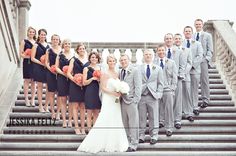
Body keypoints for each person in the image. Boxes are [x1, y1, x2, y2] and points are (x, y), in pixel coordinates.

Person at [78, 54, 129, 153]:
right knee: (105, 117)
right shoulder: (104, 74)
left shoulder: (117, 73)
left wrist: (120, 92)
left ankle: (115, 142)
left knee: (116, 118)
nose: (112, 62)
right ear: (107, 62)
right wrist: (114, 93)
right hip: (108, 99)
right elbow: (103, 88)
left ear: (115, 61)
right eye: (110, 61)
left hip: (116, 101)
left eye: (113, 61)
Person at [138, 50, 164, 145]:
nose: (148, 56)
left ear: (153, 56)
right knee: (141, 117)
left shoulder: (158, 68)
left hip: (153, 96)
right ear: (143, 56)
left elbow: (161, 83)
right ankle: (141, 135)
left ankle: (154, 135)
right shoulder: (138, 68)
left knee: (154, 117)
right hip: (142, 96)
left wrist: (159, 94)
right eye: (146, 54)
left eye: (149, 54)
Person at [119, 54, 142, 152]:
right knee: (125, 123)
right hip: (122, 101)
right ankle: (127, 142)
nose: (123, 61)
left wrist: (136, 100)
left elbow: (138, 86)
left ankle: (134, 144)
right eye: (121, 60)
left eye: (125, 60)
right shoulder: (120, 72)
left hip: (132, 101)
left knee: (133, 123)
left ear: (128, 60)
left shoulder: (135, 70)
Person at [154, 44, 177, 136]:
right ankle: (159, 123)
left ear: (165, 51)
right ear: (157, 52)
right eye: (159, 50)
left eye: (163, 50)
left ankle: (169, 128)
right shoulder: (154, 63)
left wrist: (172, 88)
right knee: (157, 108)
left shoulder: (171, 62)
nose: (161, 52)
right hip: (157, 90)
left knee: (169, 109)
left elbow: (174, 76)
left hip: (168, 89)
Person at [67, 43, 89, 135]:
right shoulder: (73, 60)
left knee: (83, 107)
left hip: (85, 86)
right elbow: (68, 73)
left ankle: (83, 128)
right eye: (80, 49)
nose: (82, 50)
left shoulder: (88, 61)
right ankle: (76, 127)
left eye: (83, 48)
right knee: (75, 106)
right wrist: (75, 80)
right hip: (75, 85)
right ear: (77, 50)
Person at [173, 33, 193, 128]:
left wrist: (184, 73)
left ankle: (188, 113)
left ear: (182, 40)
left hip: (186, 75)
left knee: (187, 94)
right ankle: (176, 115)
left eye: (179, 39)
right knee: (177, 96)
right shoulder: (171, 51)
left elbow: (190, 62)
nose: (177, 40)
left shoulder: (187, 50)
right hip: (174, 77)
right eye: (176, 39)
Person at [183, 26, 203, 116]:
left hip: (194, 70)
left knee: (194, 89)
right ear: (184, 33)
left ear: (192, 33)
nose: (187, 32)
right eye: (186, 31)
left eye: (189, 31)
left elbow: (200, 56)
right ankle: (187, 108)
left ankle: (195, 107)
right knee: (186, 90)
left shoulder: (198, 44)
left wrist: (191, 65)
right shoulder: (180, 44)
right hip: (184, 71)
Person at [194, 19, 213, 108]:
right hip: (193, 62)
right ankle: (193, 102)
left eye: (199, 24)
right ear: (194, 25)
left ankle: (205, 99)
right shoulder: (192, 36)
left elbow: (210, 49)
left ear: (202, 25)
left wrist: (206, 59)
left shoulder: (207, 35)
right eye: (196, 24)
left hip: (203, 61)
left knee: (204, 81)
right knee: (193, 81)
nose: (198, 25)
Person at [55, 39, 73, 127]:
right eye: (65, 44)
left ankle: (70, 120)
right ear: (63, 45)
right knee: (62, 100)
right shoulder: (59, 55)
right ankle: (64, 121)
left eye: (69, 44)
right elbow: (56, 67)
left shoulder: (74, 56)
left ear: (71, 45)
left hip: (71, 80)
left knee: (70, 101)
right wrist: (64, 73)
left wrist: (70, 75)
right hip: (61, 78)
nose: (67, 45)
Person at [31, 29, 50, 112]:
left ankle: (46, 106)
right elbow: (32, 58)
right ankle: (40, 106)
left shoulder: (49, 46)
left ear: (46, 36)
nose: (43, 36)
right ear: (38, 35)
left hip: (47, 68)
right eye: (41, 34)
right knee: (40, 87)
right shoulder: (35, 45)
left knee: (49, 88)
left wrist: (48, 64)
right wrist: (42, 63)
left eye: (44, 34)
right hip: (38, 67)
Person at [83, 51, 101, 132]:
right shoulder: (86, 69)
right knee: (89, 112)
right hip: (89, 91)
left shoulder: (100, 68)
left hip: (98, 91)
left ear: (98, 59)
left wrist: (99, 80)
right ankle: (89, 130)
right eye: (92, 57)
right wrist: (92, 78)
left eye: (96, 57)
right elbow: (84, 82)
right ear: (90, 58)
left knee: (97, 112)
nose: (94, 59)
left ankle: (95, 131)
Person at [19, 26, 36, 107]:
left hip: (35, 64)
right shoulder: (24, 41)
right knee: (27, 81)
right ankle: (26, 99)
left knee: (34, 82)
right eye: (30, 32)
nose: (31, 33)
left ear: (34, 33)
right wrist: (29, 56)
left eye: (33, 32)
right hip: (27, 63)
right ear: (27, 32)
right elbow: (21, 54)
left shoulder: (36, 42)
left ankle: (32, 99)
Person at [45, 34, 61, 119]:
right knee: (51, 93)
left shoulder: (61, 51)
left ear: (59, 41)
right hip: (50, 73)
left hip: (59, 74)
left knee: (59, 94)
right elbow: (46, 62)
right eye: (54, 39)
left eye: (57, 39)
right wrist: (51, 69)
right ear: (51, 40)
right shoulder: (48, 50)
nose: (55, 41)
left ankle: (58, 112)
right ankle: (53, 112)